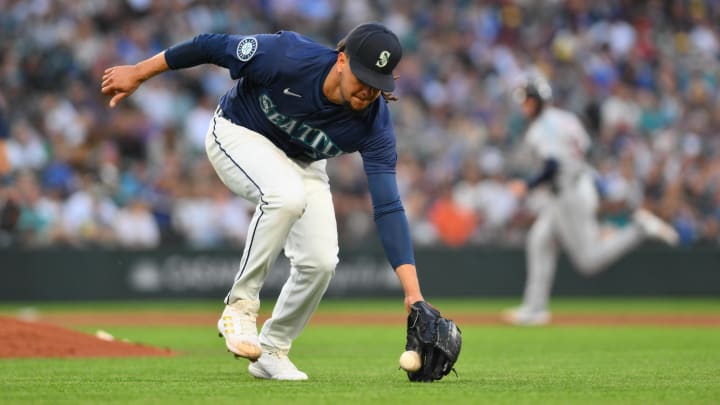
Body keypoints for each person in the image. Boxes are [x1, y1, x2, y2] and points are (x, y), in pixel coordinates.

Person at [101, 22, 429, 380]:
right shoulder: (286, 56)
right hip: (238, 131)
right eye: (363, 77)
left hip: (302, 162)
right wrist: (139, 72)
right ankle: (240, 307)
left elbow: (388, 205)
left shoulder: (375, 124)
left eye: (378, 84)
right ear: (341, 60)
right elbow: (209, 45)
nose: (368, 91)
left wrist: (413, 293)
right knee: (285, 196)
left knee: (320, 262)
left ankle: (272, 350)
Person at [503, 79, 679, 326]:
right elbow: (585, 150)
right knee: (539, 239)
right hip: (577, 185)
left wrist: (527, 185)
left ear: (539, 102)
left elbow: (553, 165)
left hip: (569, 194)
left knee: (589, 261)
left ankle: (639, 228)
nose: (525, 106)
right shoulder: (567, 118)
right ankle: (535, 308)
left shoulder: (539, 129)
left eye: (528, 101)